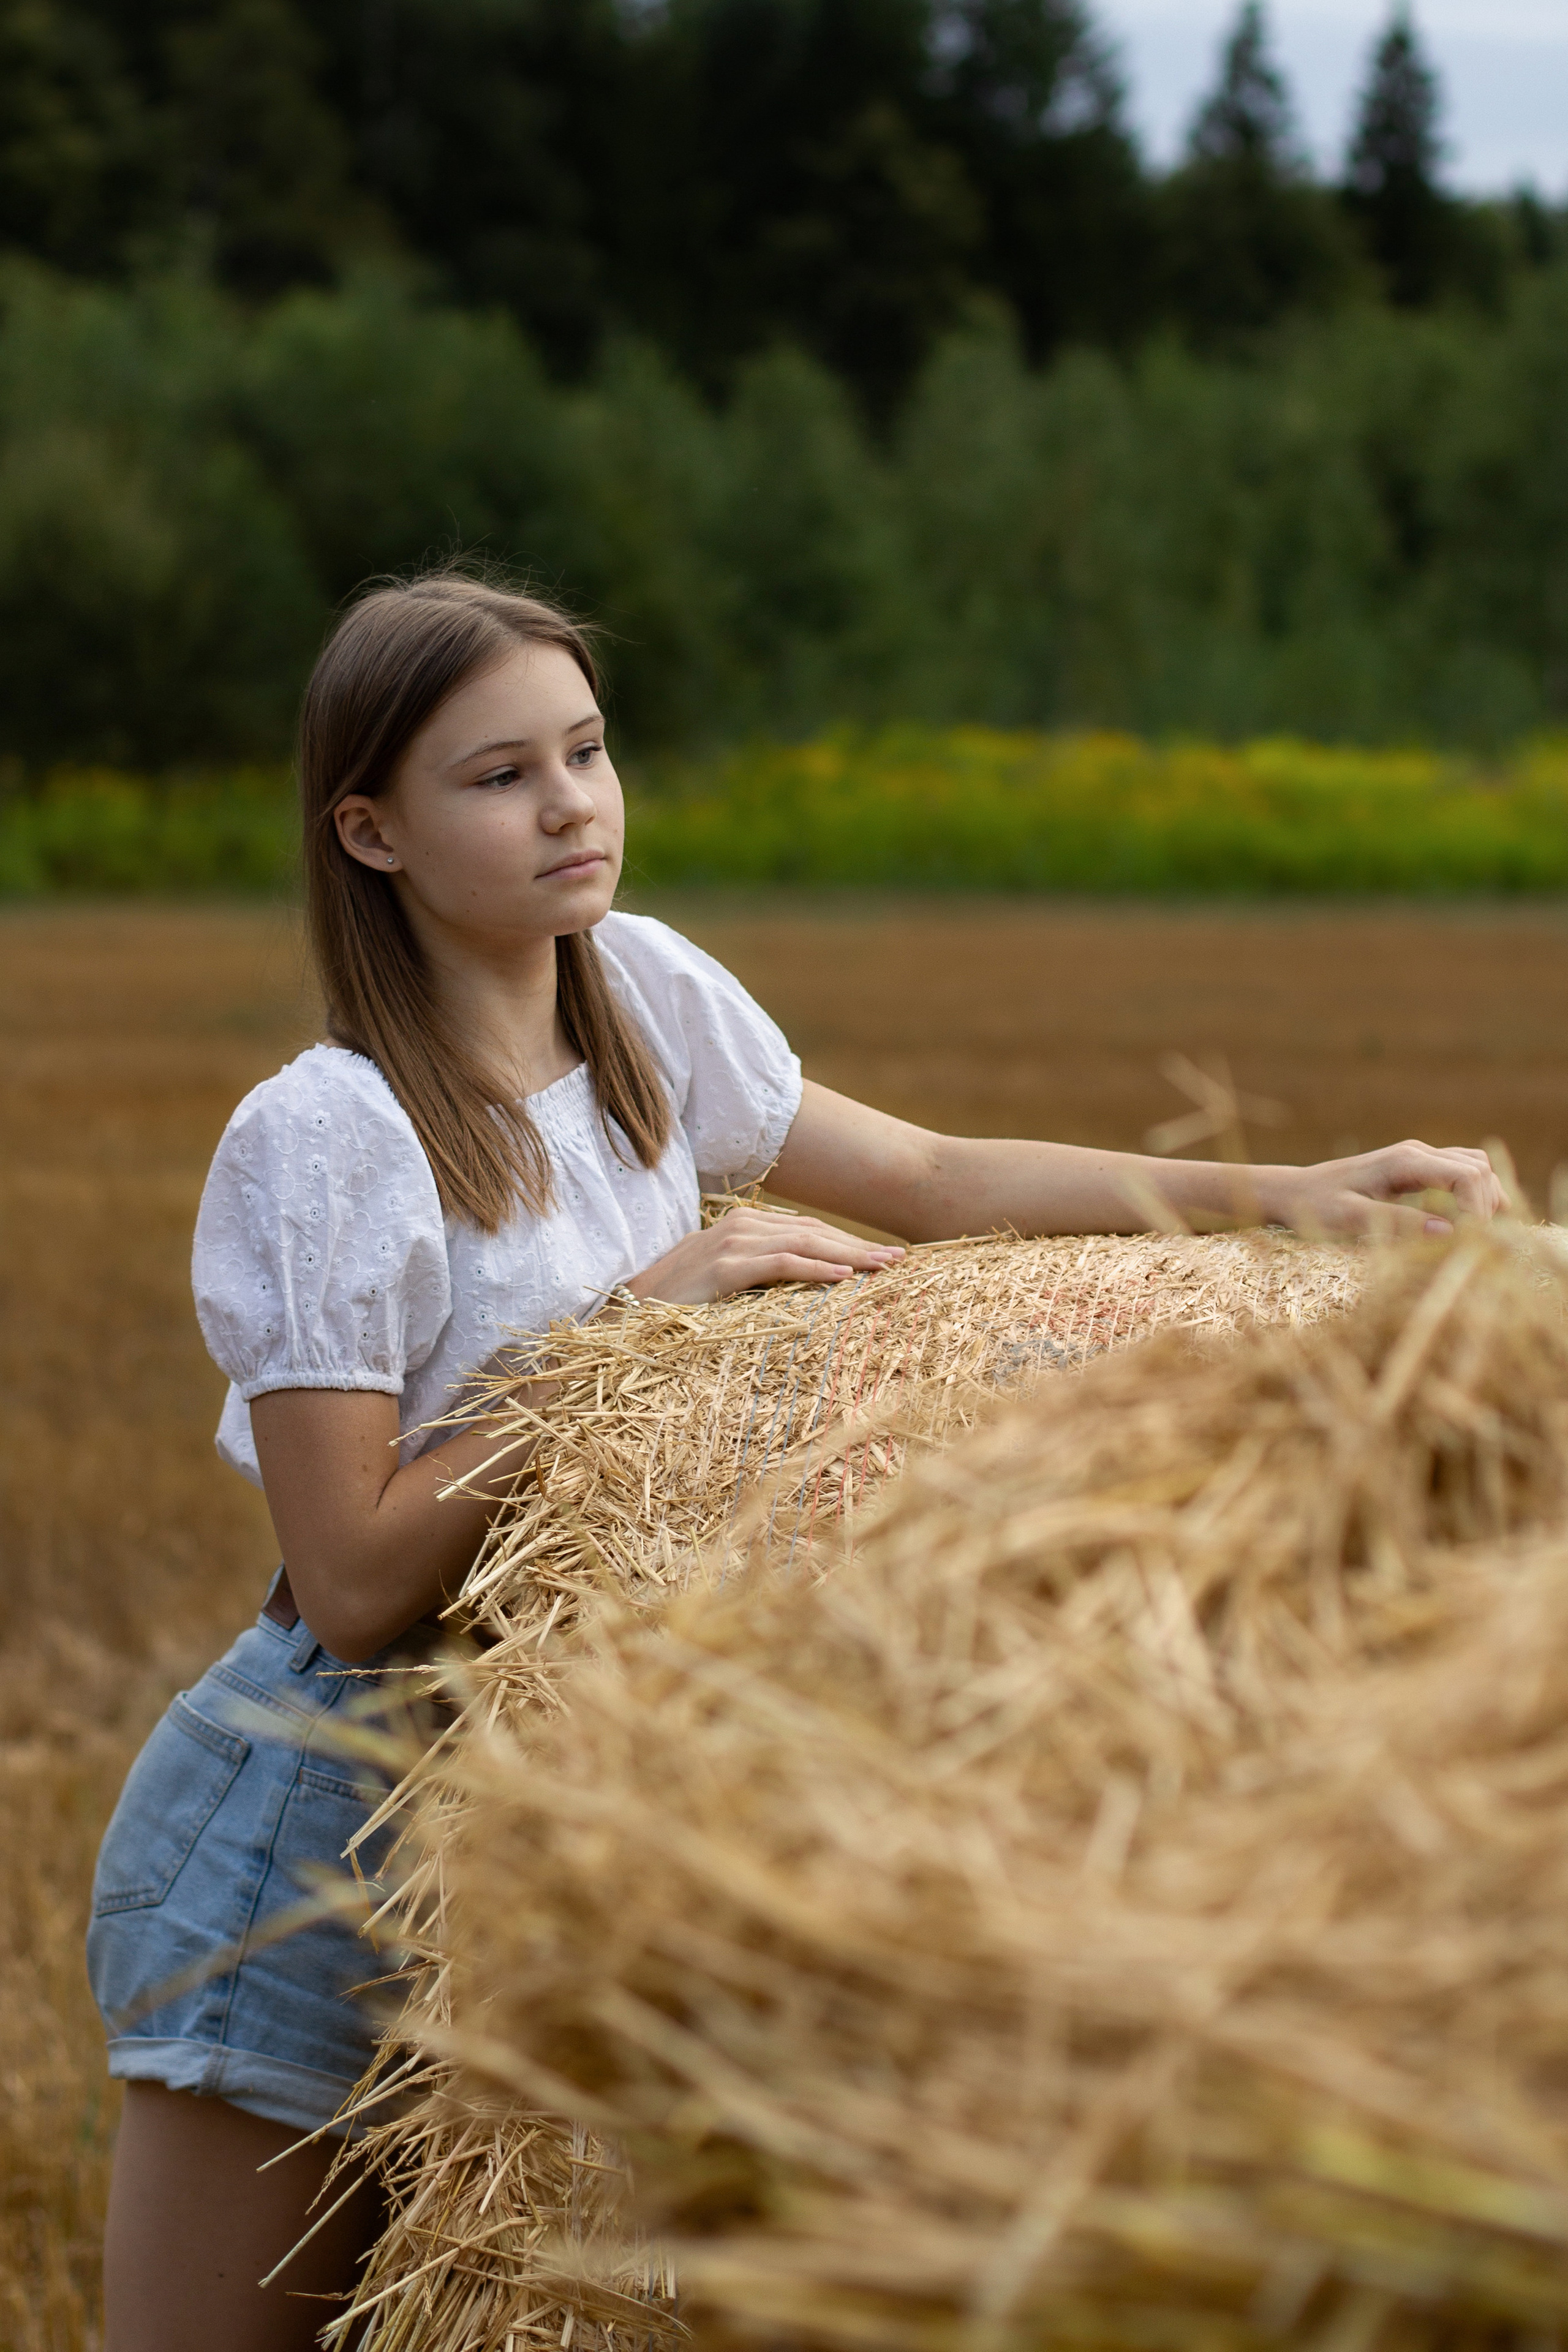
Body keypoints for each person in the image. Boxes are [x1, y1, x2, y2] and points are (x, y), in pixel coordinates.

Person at [88, 571, 1502, 2351]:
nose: (572, 805)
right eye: (499, 775)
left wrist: (1288, 1196)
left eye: (588, 753)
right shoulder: (327, 1140)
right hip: (317, 1825)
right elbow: (361, 1581)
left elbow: (922, 1177)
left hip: (557, 1801)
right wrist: (632, 1326)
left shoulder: (646, 1002)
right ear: (367, 832)